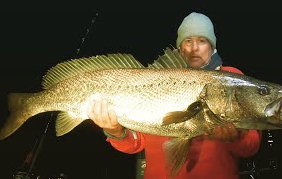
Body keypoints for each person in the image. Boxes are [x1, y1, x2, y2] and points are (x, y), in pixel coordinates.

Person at [87, 12, 262, 179]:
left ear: (211, 46)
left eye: (202, 41)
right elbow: (136, 143)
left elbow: (251, 146)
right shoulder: (155, 80)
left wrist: (238, 136)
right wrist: (115, 132)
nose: (194, 48)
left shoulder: (231, 78)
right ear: (180, 47)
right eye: (188, 41)